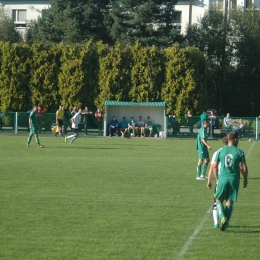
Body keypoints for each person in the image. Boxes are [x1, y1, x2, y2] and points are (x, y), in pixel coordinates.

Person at [208, 131, 248, 231]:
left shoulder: (220, 151)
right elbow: (243, 168)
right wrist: (245, 179)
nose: (238, 140)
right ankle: (224, 223)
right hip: (234, 179)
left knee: (218, 200)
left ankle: (222, 218)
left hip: (223, 178)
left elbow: (215, 167)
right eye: (238, 139)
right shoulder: (240, 152)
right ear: (234, 139)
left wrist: (217, 178)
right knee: (230, 201)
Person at [207, 136, 228, 228]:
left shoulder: (217, 152)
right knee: (229, 202)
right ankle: (225, 220)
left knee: (216, 201)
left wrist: (209, 180)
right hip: (231, 180)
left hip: (220, 180)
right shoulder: (235, 152)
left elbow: (212, 167)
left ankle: (216, 222)